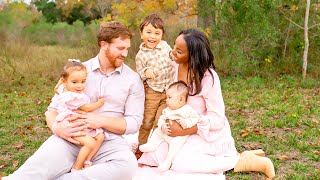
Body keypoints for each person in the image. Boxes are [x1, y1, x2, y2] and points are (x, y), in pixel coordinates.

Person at [3, 21, 145, 180]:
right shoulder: (77, 71)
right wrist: (57, 128)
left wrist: (100, 121)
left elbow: (134, 122)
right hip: (72, 136)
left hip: (108, 142)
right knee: (30, 173)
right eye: (120, 48)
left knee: (128, 166)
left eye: (127, 48)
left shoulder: (132, 79)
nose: (125, 53)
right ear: (104, 45)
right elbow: (52, 110)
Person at [138, 29, 275, 179]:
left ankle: (247, 161)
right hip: (175, 125)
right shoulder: (174, 65)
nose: (173, 52)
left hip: (202, 131)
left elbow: (217, 118)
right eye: (174, 47)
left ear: (192, 56)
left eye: (179, 51)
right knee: (155, 155)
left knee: (180, 163)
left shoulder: (208, 78)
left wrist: (186, 130)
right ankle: (240, 156)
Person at [53, 59, 105, 171]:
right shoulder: (72, 97)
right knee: (90, 143)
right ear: (65, 81)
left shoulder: (62, 89)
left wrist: (63, 82)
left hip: (80, 120)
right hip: (72, 124)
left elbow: (56, 88)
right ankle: (77, 167)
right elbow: (86, 108)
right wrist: (99, 103)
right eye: (74, 82)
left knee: (100, 136)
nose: (79, 86)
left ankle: (87, 160)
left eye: (83, 81)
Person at [139, 81, 202, 171]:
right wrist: (162, 126)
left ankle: (168, 162)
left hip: (178, 137)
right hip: (166, 132)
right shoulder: (167, 109)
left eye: (169, 97)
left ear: (181, 99)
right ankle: (152, 145)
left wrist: (187, 123)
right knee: (157, 131)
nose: (166, 100)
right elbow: (161, 118)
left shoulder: (187, 109)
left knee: (175, 146)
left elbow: (196, 118)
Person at [135, 13, 175, 151]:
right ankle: (141, 146)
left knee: (160, 120)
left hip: (169, 90)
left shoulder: (165, 46)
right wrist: (146, 72)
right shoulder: (141, 55)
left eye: (157, 33)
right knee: (147, 121)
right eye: (148, 32)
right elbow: (140, 71)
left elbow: (172, 56)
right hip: (153, 91)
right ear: (141, 34)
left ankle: (156, 147)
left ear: (162, 35)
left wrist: (175, 55)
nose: (152, 36)